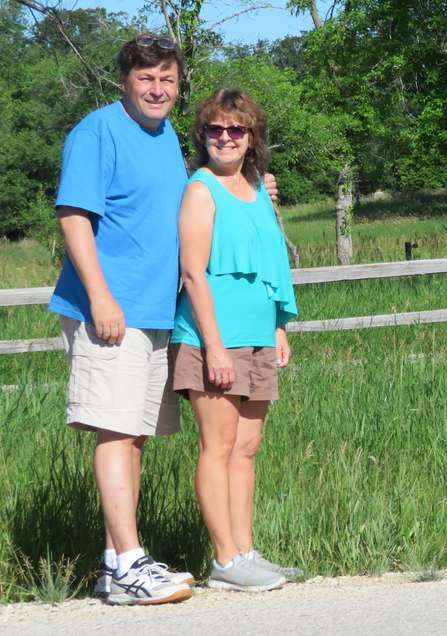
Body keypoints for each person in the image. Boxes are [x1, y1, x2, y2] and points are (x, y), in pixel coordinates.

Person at [49, 35, 279, 605]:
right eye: (146, 78)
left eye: (167, 80)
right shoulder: (98, 132)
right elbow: (73, 216)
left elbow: (199, 198)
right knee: (116, 429)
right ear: (124, 80)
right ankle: (130, 563)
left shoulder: (163, 140)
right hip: (112, 308)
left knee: (135, 435)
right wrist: (100, 297)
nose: (157, 89)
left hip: (155, 311)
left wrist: (256, 186)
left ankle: (116, 565)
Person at [169, 88, 300, 592]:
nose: (225, 137)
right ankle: (224, 560)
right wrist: (215, 347)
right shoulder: (201, 190)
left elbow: (272, 263)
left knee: (247, 448)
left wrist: (278, 326)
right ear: (202, 135)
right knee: (218, 447)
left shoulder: (258, 188)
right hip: (213, 340)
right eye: (215, 129)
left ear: (251, 137)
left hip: (258, 336)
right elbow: (193, 273)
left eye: (236, 129)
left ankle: (246, 552)